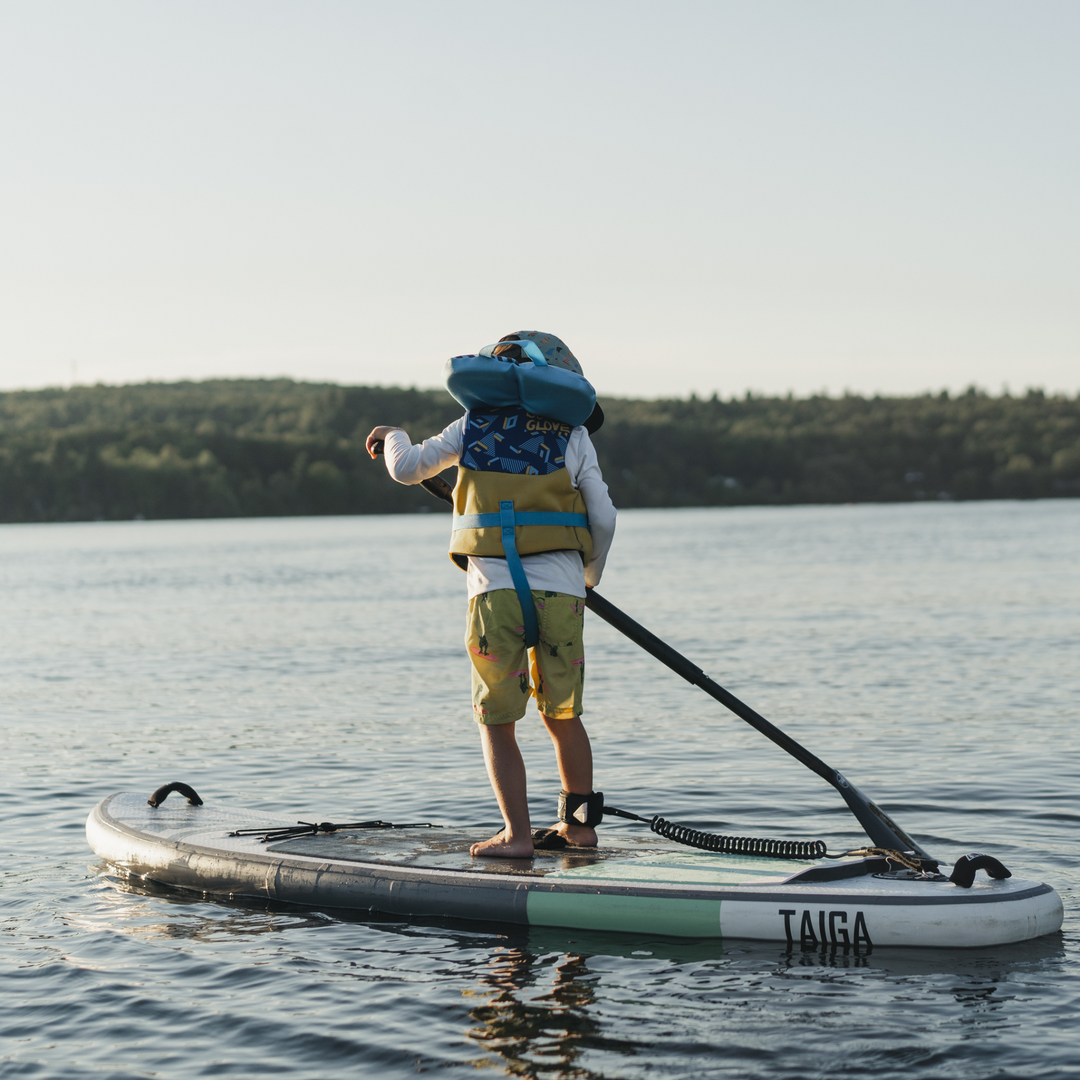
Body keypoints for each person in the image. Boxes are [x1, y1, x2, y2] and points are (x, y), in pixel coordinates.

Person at [366, 331, 617, 858]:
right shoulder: (574, 436)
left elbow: (407, 468)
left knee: (498, 719)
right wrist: (587, 576)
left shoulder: (471, 426)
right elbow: (604, 517)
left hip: (494, 597)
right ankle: (581, 830)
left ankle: (517, 836)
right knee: (563, 714)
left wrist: (394, 434)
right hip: (562, 596)